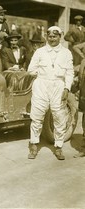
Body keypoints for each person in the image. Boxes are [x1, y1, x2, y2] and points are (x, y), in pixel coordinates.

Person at [27, 26, 74, 160]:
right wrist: (42, 75)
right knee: (37, 116)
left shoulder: (66, 53)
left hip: (58, 86)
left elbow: (70, 72)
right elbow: (31, 69)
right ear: (47, 37)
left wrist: (67, 88)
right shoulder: (40, 52)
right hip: (41, 85)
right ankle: (34, 145)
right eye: (50, 36)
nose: (52, 39)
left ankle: (58, 146)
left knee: (59, 117)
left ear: (60, 37)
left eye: (55, 36)